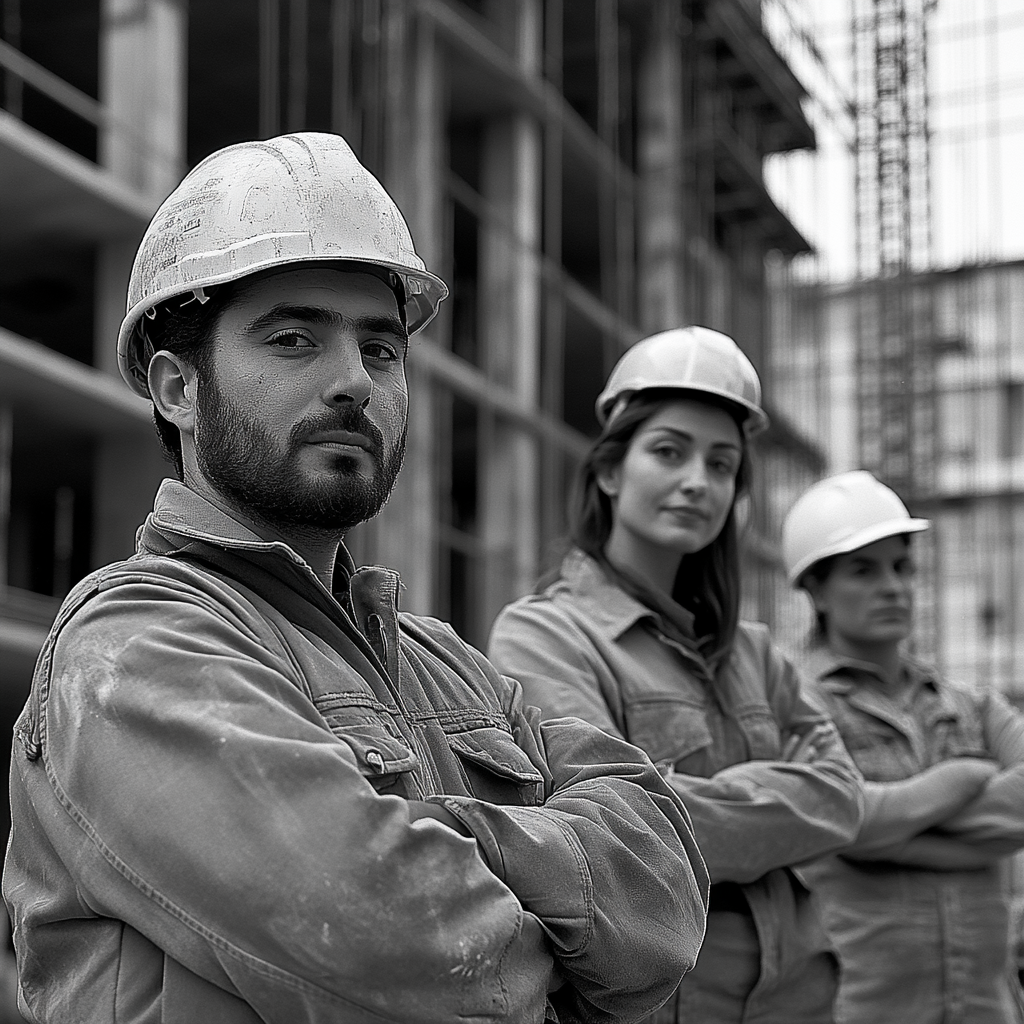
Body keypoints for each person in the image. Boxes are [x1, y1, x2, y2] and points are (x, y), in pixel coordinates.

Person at [2, 133, 710, 1024]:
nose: (353, 384)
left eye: (381, 350)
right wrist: (564, 897)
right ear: (177, 388)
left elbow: (669, 898)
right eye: (294, 339)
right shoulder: (133, 645)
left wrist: (445, 857)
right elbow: (409, 954)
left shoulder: (442, 661)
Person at [487, 327, 864, 1024]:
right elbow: (619, 839)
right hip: (673, 1003)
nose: (699, 481)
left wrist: (682, 803)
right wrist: (783, 801)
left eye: (722, 465)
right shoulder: (545, 636)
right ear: (608, 471)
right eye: (669, 452)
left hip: (804, 996)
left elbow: (842, 796)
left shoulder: (755, 654)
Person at [782, 470, 1024, 1024]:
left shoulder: (970, 705)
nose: (892, 586)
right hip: (855, 1006)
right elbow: (838, 816)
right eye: (863, 571)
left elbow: (856, 827)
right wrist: (961, 779)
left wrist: (892, 832)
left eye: (902, 567)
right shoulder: (793, 703)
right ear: (815, 589)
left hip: (985, 1005)